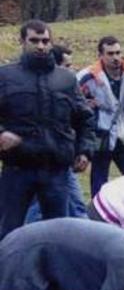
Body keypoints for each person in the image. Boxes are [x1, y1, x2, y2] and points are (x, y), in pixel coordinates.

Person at [0, 20, 96, 240]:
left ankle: (52, 273)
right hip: (17, 169)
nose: (41, 46)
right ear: (22, 42)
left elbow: (85, 118)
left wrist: (84, 151)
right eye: (34, 41)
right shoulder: (5, 77)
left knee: (58, 232)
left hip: (56, 170)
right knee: (9, 232)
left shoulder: (66, 79)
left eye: (45, 41)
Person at [78, 36, 124, 197]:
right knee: (99, 187)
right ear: (100, 55)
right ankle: (98, 217)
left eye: (118, 53)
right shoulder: (87, 78)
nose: (115, 58)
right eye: (110, 53)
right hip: (101, 139)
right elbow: (75, 106)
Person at [24, 43, 89, 223]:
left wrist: (83, 150)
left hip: (65, 160)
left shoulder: (70, 89)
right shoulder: (42, 93)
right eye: (67, 66)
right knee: (38, 210)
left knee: (76, 207)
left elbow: (83, 120)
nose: (72, 70)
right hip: (44, 163)